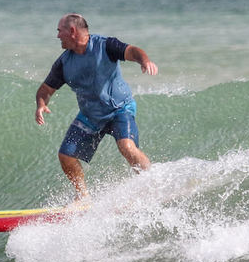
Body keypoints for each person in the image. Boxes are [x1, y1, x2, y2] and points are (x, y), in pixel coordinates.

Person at [34, 13, 158, 198]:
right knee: (66, 156)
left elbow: (131, 51)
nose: (58, 36)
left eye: (60, 31)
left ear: (72, 31)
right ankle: (83, 197)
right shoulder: (64, 63)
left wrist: (144, 60)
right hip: (90, 116)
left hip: (119, 109)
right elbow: (45, 89)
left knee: (127, 146)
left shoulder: (105, 45)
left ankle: (152, 184)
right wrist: (41, 104)